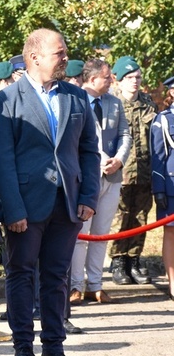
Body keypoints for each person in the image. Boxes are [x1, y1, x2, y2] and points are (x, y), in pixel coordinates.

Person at [0, 28, 100, 356]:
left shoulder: (76, 97)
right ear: (34, 57)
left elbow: (88, 151)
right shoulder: (6, 100)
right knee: (21, 274)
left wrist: (88, 195)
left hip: (67, 203)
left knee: (56, 276)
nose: (65, 58)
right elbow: (1, 159)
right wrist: (14, 207)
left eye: (65, 52)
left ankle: (54, 349)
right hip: (25, 203)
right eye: (59, 53)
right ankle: (23, 350)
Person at [69, 59, 131, 306]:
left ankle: (95, 285)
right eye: (107, 77)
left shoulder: (114, 102)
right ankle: (75, 285)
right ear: (92, 78)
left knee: (101, 234)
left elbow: (125, 134)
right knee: (81, 236)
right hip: (86, 177)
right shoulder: (75, 99)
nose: (111, 81)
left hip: (112, 176)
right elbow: (81, 138)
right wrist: (103, 160)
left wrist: (119, 159)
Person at [108, 56, 157, 285]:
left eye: (137, 77)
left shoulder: (148, 104)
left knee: (141, 217)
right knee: (120, 217)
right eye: (129, 78)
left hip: (145, 172)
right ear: (118, 80)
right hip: (120, 172)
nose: (134, 82)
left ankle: (134, 260)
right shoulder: (111, 103)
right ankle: (118, 261)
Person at [151, 97, 174, 300]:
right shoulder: (164, 119)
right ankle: (173, 283)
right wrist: (159, 189)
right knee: (171, 234)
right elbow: (158, 156)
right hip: (172, 185)